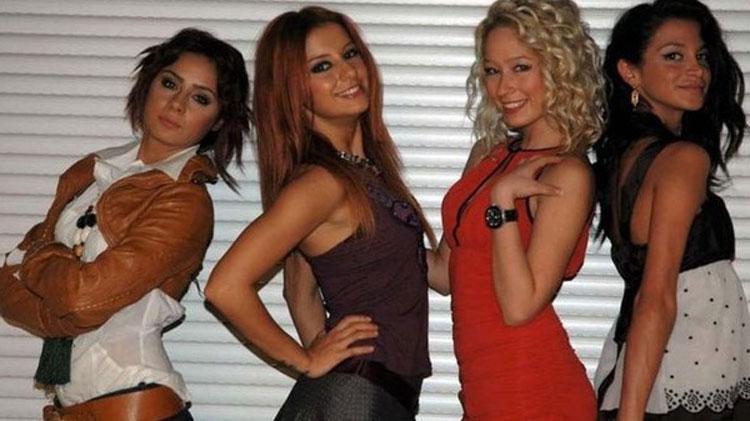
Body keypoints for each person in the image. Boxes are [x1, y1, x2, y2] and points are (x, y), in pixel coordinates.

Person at [0, 28, 250, 420]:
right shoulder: (92, 171)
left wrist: (40, 262)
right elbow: (5, 286)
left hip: (135, 405)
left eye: (200, 98)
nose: (177, 104)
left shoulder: (184, 200)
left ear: (218, 121)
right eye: (170, 83)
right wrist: (61, 307)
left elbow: (81, 299)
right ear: (148, 83)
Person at [204, 6, 435, 420]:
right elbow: (224, 286)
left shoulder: (367, 175)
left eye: (350, 54)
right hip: (357, 394)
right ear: (293, 91)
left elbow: (299, 290)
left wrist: (484, 184)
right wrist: (308, 361)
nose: (347, 72)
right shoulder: (321, 183)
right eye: (322, 66)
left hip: (374, 393)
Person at [427, 0, 604, 419]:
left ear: (559, 67)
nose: (503, 88)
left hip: (531, 387)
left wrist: (503, 202)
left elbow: (520, 306)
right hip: (483, 387)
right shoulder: (487, 155)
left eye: (521, 67)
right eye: (492, 71)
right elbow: (445, 273)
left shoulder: (566, 173)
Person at [592, 0, 750, 419]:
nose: (697, 70)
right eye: (673, 56)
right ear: (630, 72)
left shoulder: (628, 155)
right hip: (687, 374)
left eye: (702, 56)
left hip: (673, 370)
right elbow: (656, 296)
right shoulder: (682, 159)